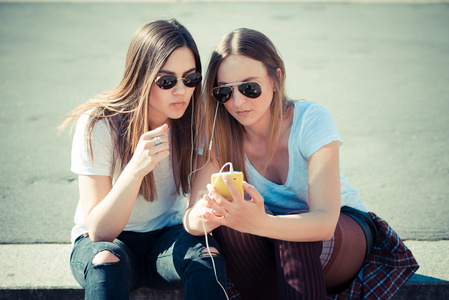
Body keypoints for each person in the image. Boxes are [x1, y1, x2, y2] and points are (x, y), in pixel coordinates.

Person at [183, 28, 418, 299]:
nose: (238, 102)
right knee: (230, 224)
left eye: (250, 87)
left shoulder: (310, 120)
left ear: (275, 78)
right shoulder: (216, 133)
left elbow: (324, 222)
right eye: (224, 92)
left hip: (340, 232)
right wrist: (207, 213)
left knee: (293, 237)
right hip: (269, 244)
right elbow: (191, 219)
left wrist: (258, 223)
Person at [60, 19, 228, 300]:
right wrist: (135, 169)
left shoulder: (197, 119)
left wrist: (211, 210)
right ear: (141, 77)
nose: (181, 91)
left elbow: (197, 209)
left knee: (206, 255)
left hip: (166, 240)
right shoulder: (100, 123)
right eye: (166, 81)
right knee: (105, 260)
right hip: (106, 244)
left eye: (191, 79)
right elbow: (100, 231)